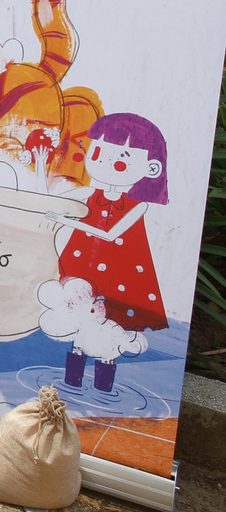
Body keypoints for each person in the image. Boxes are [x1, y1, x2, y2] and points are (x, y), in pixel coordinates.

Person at [46, 112, 170, 394]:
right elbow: (53, 198)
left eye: (122, 156)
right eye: (98, 151)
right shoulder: (90, 193)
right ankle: (71, 384)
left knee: (111, 328)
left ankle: (104, 389)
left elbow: (112, 234)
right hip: (83, 268)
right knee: (78, 324)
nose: (102, 161)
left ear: (150, 168)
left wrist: (67, 221)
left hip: (119, 273)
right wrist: (44, 162)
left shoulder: (138, 204)